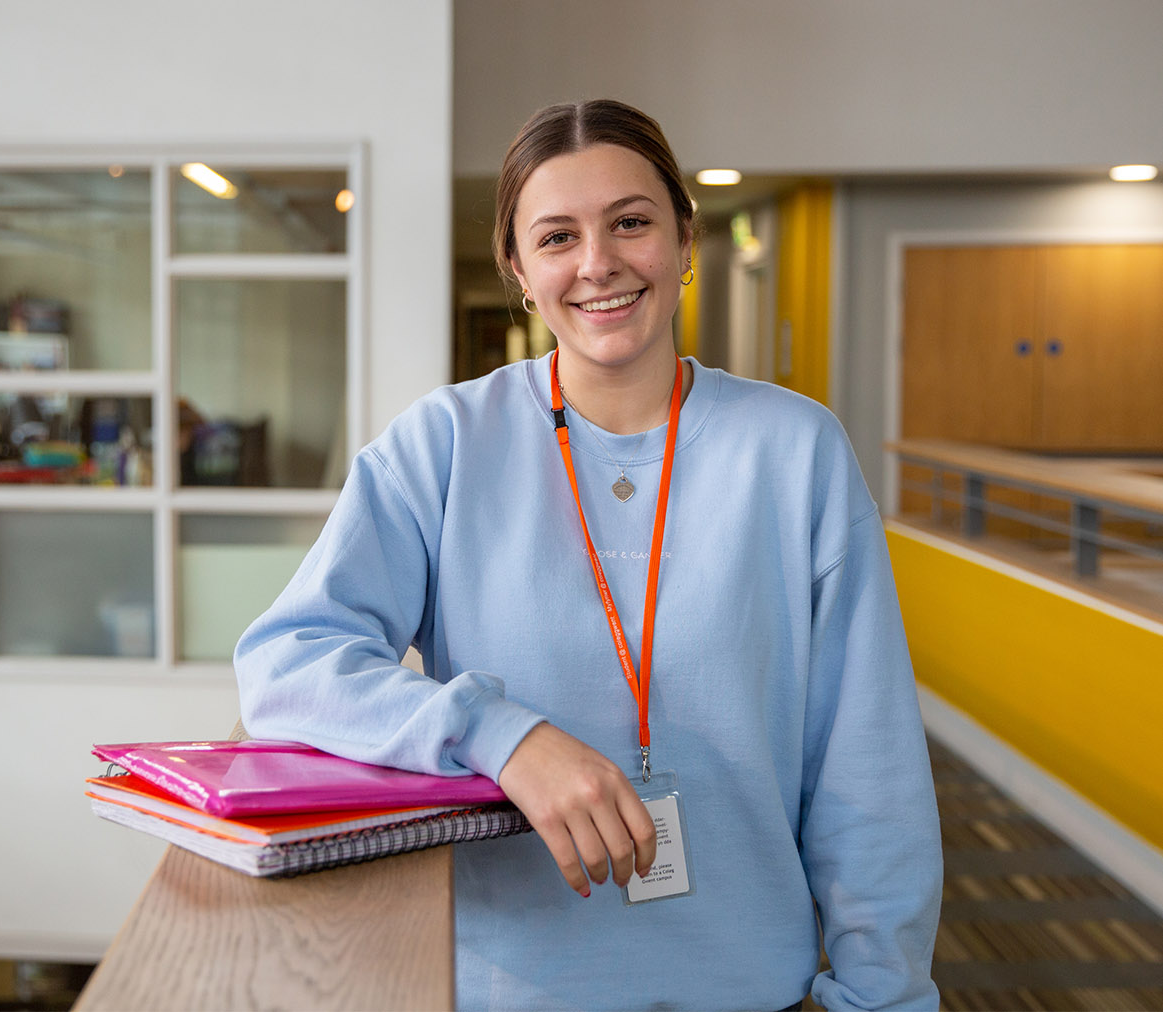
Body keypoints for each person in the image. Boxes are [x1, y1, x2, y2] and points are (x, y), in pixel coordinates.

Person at [235, 99, 942, 1011]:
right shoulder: (444, 445)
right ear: (520, 272)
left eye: (630, 223)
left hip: (745, 987)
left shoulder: (794, 450)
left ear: (685, 240)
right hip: (505, 991)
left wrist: (883, 997)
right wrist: (501, 737)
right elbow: (287, 664)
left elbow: (867, 765)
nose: (597, 262)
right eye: (557, 237)